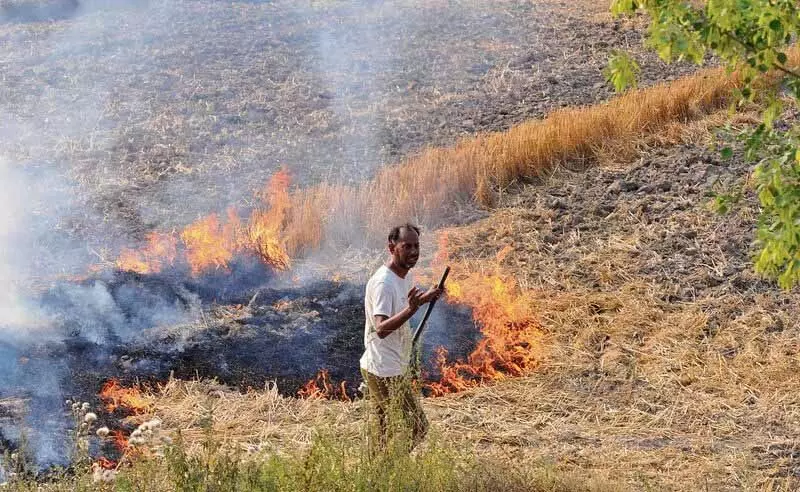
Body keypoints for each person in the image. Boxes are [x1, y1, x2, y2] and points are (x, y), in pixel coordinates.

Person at [359, 223, 443, 451]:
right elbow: (381, 329)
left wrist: (426, 297)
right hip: (384, 370)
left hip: (388, 364)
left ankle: (377, 477)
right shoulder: (384, 283)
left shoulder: (402, 276)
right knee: (418, 427)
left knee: (383, 431)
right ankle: (390, 469)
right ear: (391, 247)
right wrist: (412, 310)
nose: (414, 252)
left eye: (416, 246)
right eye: (407, 246)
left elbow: (404, 304)